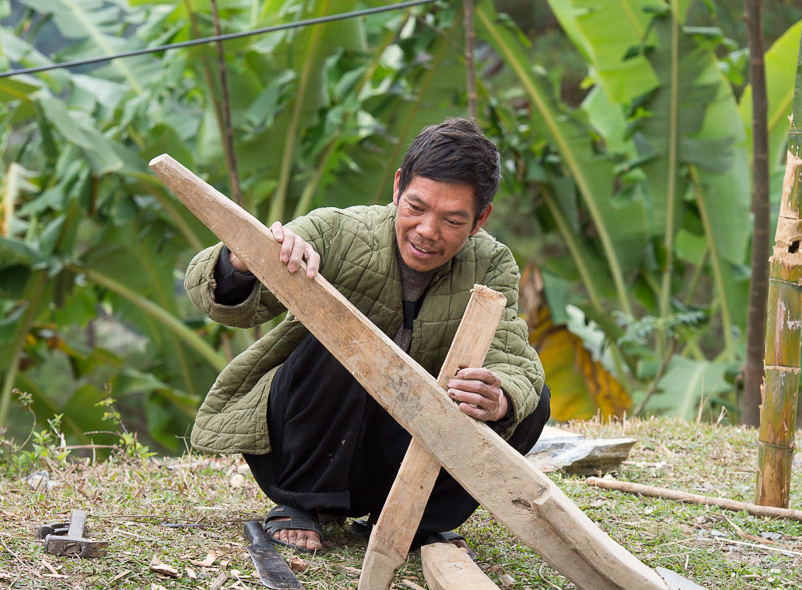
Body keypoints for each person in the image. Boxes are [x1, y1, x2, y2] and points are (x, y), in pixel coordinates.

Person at [183, 118, 549, 552]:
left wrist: (500, 396)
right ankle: (302, 504)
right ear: (397, 188)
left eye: (452, 219)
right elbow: (219, 300)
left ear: (480, 218)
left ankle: (416, 520)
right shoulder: (337, 231)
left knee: (529, 402)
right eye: (416, 207)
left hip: (402, 460)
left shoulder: (492, 264)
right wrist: (244, 259)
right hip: (304, 446)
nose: (428, 232)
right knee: (349, 338)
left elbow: (512, 356)